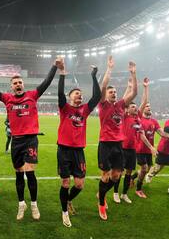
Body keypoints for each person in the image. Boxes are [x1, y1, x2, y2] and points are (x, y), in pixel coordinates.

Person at [0, 57, 61, 221]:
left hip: (30, 140)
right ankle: (21, 204)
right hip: (16, 141)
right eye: (15, 83)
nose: (18, 84)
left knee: (30, 172)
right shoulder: (7, 99)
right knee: (19, 174)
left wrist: (54, 66)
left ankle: (33, 204)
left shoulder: (33, 95)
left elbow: (47, 82)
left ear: (23, 84)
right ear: (11, 87)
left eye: (20, 82)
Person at [57, 60, 101, 227]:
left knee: (79, 185)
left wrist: (93, 76)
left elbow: (97, 97)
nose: (79, 95)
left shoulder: (85, 110)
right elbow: (60, 94)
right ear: (70, 97)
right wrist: (62, 75)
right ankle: (64, 212)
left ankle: (68, 200)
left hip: (78, 151)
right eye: (76, 93)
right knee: (66, 183)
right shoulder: (64, 108)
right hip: (64, 150)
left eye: (80, 93)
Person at [96, 56, 137, 221]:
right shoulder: (103, 105)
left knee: (116, 176)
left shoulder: (121, 105)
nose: (113, 93)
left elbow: (134, 92)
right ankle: (101, 203)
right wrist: (110, 68)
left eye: (115, 92)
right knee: (106, 175)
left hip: (118, 145)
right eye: (110, 92)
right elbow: (103, 85)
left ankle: (102, 192)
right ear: (106, 95)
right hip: (105, 145)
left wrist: (133, 74)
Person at [132, 78, 169, 198]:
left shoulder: (154, 121)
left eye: (150, 106)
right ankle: (138, 189)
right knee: (144, 168)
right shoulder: (139, 120)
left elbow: (162, 133)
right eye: (147, 106)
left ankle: (133, 177)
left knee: (147, 169)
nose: (149, 108)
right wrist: (152, 147)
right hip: (139, 149)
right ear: (143, 108)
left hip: (149, 150)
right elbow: (142, 135)